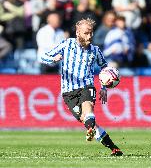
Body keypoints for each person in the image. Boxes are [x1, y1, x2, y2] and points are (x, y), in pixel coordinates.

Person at [41, 18, 123, 156]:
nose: (89, 36)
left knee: (88, 107)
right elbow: (44, 56)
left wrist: (103, 87)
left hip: (86, 86)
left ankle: (90, 128)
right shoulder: (66, 45)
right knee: (86, 118)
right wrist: (53, 59)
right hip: (68, 91)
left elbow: (105, 68)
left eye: (91, 33)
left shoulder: (95, 50)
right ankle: (114, 148)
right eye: (86, 33)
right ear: (78, 32)